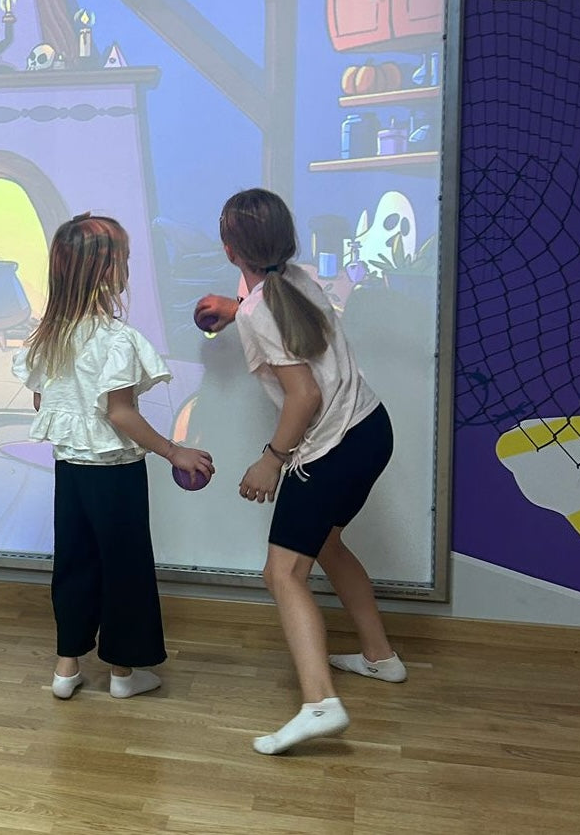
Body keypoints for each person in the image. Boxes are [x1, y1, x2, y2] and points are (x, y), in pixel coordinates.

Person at [194, 188, 402, 756]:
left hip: (329, 448)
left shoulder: (265, 307)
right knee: (329, 544)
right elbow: (286, 321)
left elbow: (303, 393)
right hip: (371, 429)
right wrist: (239, 312)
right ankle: (381, 658)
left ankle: (319, 704)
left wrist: (270, 459)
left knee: (281, 574)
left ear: (230, 247)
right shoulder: (301, 277)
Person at [13, 214, 214, 702]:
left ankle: (66, 668)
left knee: (76, 562)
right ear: (106, 272)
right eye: (123, 258)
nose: (128, 266)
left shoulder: (48, 335)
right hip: (116, 474)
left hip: (71, 469)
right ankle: (124, 673)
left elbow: (44, 402)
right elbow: (120, 413)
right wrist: (173, 452)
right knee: (124, 566)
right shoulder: (116, 339)